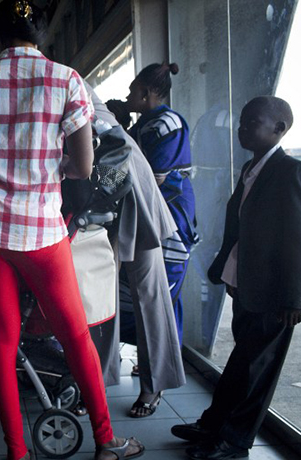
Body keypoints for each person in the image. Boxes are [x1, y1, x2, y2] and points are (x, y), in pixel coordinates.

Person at [0, 2, 144, 459]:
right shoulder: (66, 79)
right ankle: (105, 441)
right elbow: (83, 166)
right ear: (40, 33)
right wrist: (46, 166)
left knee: (1, 340)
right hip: (42, 233)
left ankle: (17, 452)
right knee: (76, 335)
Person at [172, 96, 301, 460]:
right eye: (241, 122)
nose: (241, 129)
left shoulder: (289, 172)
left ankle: (235, 441)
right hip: (247, 284)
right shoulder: (252, 168)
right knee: (239, 364)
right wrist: (228, 274)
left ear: (278, 129)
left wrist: (295, 298)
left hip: (276, 293)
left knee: (256, 372)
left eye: (252, 123)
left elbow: (296, 241)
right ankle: (214, 425)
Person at [93, 90, 186, 417]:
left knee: (150, 298)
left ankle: (153, 385)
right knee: (99, 298)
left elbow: (110, 159)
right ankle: (98, 382)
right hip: (104, 209)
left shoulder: (75, 97)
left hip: (135, 204)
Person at [125, 63, 198, 348]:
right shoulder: (142, 125)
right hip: (153, 219)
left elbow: (148, 175)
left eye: (132, 91)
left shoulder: (167, 123)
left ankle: (164, 361)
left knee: (165, 296)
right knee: (157, 295)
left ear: (145, 93)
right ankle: (161, 357)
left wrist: (102, 174)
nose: (127, 95)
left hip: (171, 222)